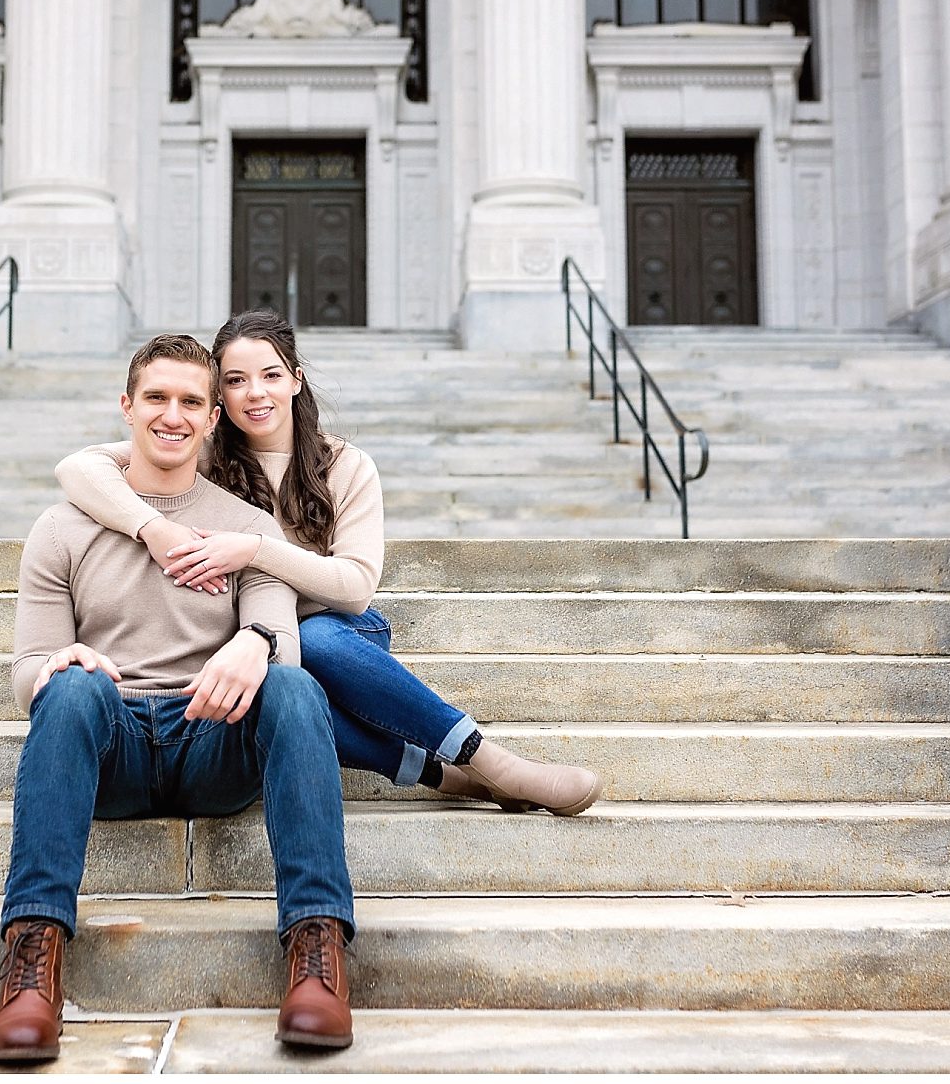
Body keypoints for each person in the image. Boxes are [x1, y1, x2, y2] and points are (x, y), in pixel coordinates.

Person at [56, 310, 603, 815]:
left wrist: (257, 549)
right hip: (250, 638)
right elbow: (78, 469)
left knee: (309, 642)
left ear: (295, 378)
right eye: (235, 380)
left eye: (270, 375)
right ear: (217, 398)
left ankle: (486, 759)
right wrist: (152, 528)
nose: (255, 393)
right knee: (276, 681)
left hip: (342, 637)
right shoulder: (199, 451)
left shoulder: (345, 465)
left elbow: (356, 587)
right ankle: (444, 774)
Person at [0, 333, 357, 1065]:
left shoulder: (248, 526)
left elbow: (279, 630)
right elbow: (28, 664)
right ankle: (33, 958)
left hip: (209, 735)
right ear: (126, 407)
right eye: (157, 397)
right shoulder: (62, 525)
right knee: (67, 687)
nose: (173, 414)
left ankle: (318, 947)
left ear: (215, 417)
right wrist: (61, 665)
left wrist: (256, 641)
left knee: (295, 686)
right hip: (111, 738)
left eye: (192, 401)